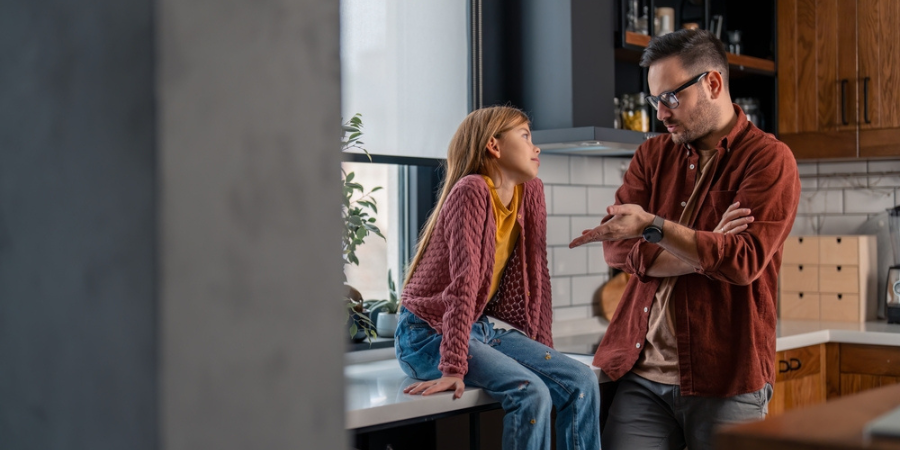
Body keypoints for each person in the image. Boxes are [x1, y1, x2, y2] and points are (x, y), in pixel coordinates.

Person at [569, 29, 800, 450]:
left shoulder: (769, 159)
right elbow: (617, 246)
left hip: (728, 381)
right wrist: (708, 247)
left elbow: (743, 262)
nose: (661, 113)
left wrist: (652, 227)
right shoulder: (651, 156)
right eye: (654, 100)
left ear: (712, 83)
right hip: (641, 378)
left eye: (671, 98)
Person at [396, 105, 601, 450]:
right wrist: (453, 367)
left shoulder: (530, 191)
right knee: (530, 391)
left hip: (477, 328)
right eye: (525, 136)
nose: (536, 148)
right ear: (494, 145)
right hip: (426, 334)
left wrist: (542, 349)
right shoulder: (472, 190)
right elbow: (462, 285)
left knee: (581, 379)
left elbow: (538, 279)